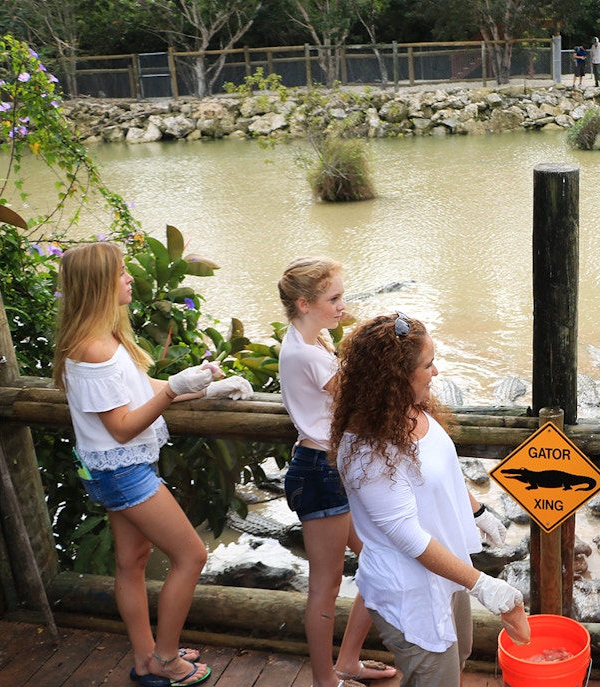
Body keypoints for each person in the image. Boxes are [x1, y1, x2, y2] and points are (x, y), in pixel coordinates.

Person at [53, 242, 252, 687]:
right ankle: (165, 658)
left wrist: (202, 389)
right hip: (122, 471)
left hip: (114, 470)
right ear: (100, 284)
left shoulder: (106, 340)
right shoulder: (93, 351)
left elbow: (146, 388)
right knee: (191, 554)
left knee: (132, 561)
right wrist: (170, 392)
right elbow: (123, 427)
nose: (128, 278)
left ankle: (146, 659)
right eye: (122, 273)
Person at [330, 313, 519, 686]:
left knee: (460, 653)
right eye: (428, 365)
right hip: (409, 589)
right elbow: (408, 537)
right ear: (395, 377)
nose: (436, 372)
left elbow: (438, 474)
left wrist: (478, 511)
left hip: (448, 570)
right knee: (435, 676)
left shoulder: (410, 407)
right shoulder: (367, 450)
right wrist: (484, 584)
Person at [277, 258, 397, 687]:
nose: (343, 305)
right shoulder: (308, 354)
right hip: (320, 473)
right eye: (334, 299)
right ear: (305, 304)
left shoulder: (312, 341)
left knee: (381, 561)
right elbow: (361, 402)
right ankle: (326, 680)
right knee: (325, 587)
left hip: (331, 469)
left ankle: (347, 662)